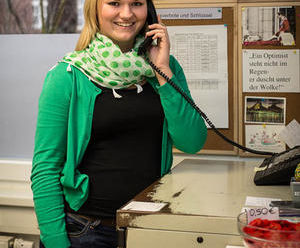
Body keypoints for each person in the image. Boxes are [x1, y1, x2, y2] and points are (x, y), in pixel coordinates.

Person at [31, 0, 207, 247]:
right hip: (86, 231)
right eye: (114, 3)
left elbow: (192, 142)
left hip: (149, 228)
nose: (127, 14)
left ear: (149, 11)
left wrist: (163, 70)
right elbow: (45, 170)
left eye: (136, 3)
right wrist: (55, 242)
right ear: (95, 9)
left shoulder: (165, 67)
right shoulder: (67, 75)